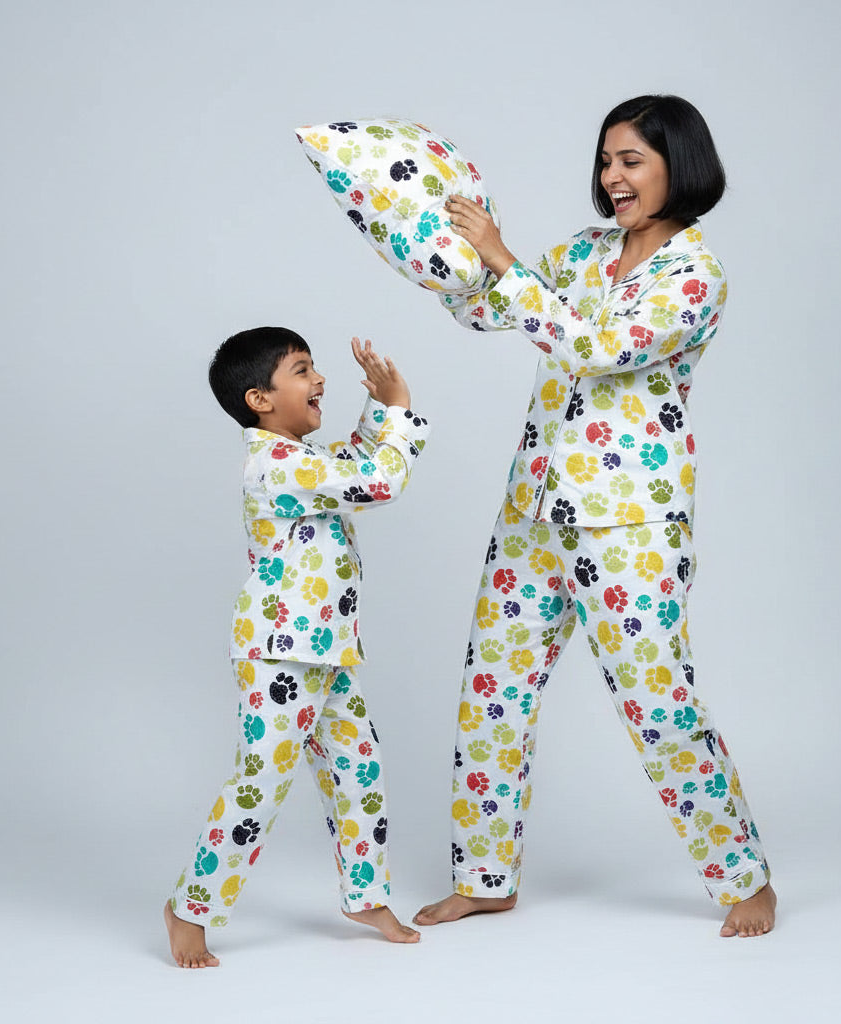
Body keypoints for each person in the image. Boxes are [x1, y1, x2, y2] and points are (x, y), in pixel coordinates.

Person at [413, 95, 776, 937]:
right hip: (534, 507)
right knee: (492, 694)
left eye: (633, 161)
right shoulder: (583, 252)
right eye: (607, 160)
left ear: (678, 165)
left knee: (659, 705)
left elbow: (593, 348)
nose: (613, 177)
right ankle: (485, 873)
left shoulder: (694, 274)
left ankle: (743, 876)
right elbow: (490, 309)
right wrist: (438, 243)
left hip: (631, 522)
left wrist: (505, 261)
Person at [165, 328, 429, 967]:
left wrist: (380, 410)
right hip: (280, 652)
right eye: (303, 370)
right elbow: (375, 482)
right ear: (259, 398)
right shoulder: (276, 462)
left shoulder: (303, 460)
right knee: (260, 782)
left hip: (328, 651)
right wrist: (397, 410)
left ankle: (364, 894)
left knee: (358, 769)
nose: (320, 381)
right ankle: (189, 908)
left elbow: (356, 464)